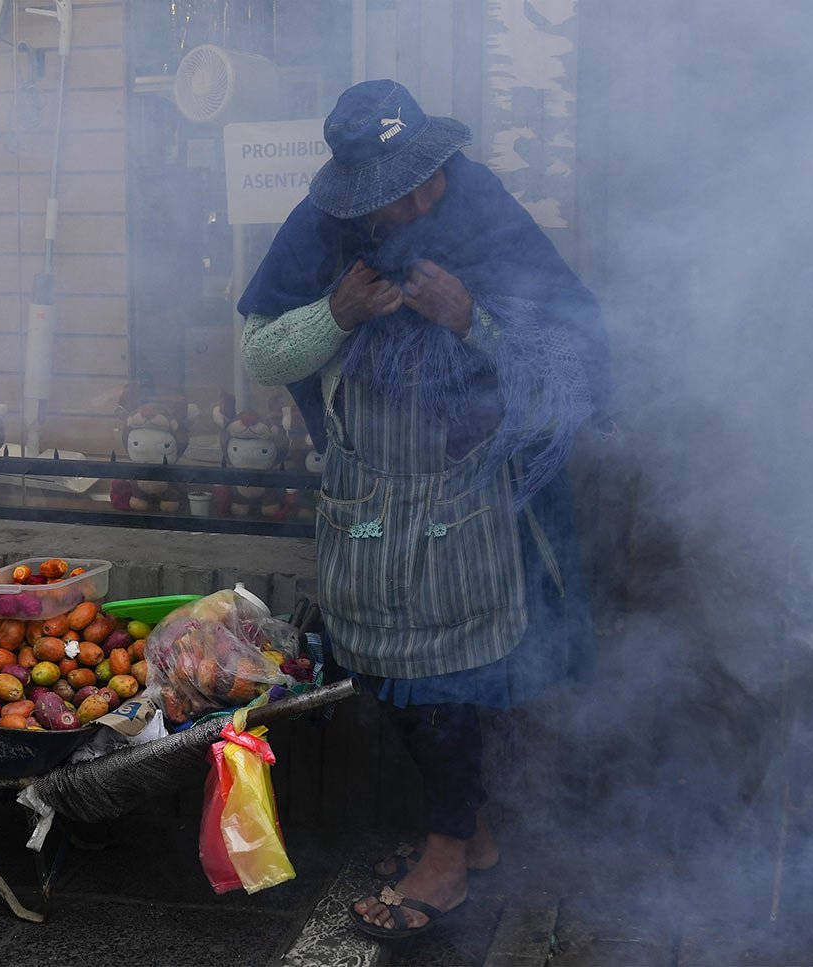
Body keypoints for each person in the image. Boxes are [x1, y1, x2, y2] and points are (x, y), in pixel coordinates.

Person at [239, 80, 613, 940]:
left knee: (451, 678)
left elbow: (564, 368)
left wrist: (469, 319)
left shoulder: (482, 210)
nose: (424, 197)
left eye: (430, 173)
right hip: (367, 498)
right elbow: (263, 350)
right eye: (397, 190)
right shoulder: (320, 231)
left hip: (472, 495)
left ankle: (445, 857)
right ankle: (471, 838)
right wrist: (337, 311)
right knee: (378, 667)